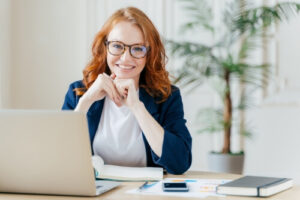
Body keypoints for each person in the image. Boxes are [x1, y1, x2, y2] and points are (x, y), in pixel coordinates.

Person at [62, 7, 192, 174]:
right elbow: (59, 156)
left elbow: (179, 162)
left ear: (149, 54)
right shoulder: (78, 92)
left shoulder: (167, 96)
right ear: (104, 47)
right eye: (117, 46)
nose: (125, 58)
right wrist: (85, 102)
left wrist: (137, 107)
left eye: (138, 49)